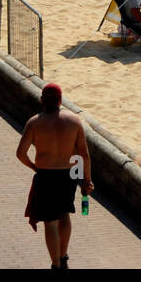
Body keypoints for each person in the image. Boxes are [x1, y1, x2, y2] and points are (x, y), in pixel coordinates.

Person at [16, 83, 92, 269]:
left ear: (42, 100)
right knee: (65, 214)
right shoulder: (74, 121)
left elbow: (20, 153)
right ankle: (64, 257)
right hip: (68, 175)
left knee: (50, 222)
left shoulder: (34, 123)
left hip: (45, 176)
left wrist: (34, 167)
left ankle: (55, 264)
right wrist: (87, 181)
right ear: (60, 100)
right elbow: (84, 154)